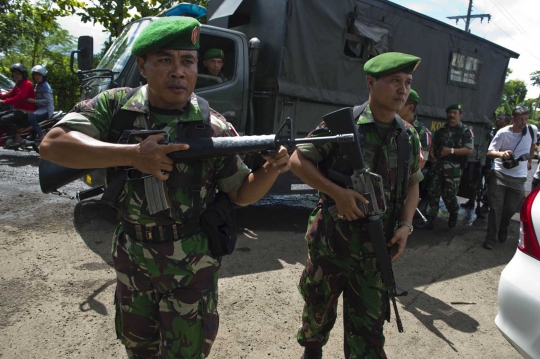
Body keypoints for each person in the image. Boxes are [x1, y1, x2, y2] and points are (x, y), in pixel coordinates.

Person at [40, 16, 290, 358]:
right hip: (133, 260)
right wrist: (131, 155)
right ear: (142, 66)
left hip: (192, 265)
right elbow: (52, 144)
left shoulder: (212, 125)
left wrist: (270, 171)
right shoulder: (115, 107)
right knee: (139, 349)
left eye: (187, 61)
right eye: (164, 60)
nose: (178, 71)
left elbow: (241, 193)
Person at [290, 52, 423, 359]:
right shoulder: (343, 125)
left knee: (369, 330)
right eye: (394, 81)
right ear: (370, 82)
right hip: (332, 242)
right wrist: (337, 193)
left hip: (377, 249)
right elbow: (298, 160)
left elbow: (414, 183)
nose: (402, 89)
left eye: (407, 82)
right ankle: (312, 351)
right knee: (317, 310)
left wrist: (405, 226)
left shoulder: (408, 135)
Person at [482, 106, 537, 250]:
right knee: (495, 208)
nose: (523, 123)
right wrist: (501, 154)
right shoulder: (503, 133)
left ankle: (503, 226)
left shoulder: (532, 130)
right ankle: (490, 238)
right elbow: (489, 152)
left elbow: (533, 145)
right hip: (500, 174)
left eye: (525, 119)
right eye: (520, 120)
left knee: (511, 208)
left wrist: (530, 161)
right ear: (513, 119)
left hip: (519, 178)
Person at [415, 103, 474, 230]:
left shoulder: (465, 131)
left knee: (449, 195)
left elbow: (469, 150)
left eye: (454, 113)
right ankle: (429, 219)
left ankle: (453, 212)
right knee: (433, 193)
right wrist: (431, 153)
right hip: (438, 167)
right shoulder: (441, 131)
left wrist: (451, 151)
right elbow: (433, 144)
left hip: (453, 169)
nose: (451, 115)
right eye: (449, 112)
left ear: (460, 115)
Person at [0, 63, 36, 147]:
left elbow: (19, 98)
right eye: (14, 73)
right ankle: (8, 137)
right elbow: (9, 94)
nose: (16, 75)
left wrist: (4, 102)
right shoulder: (18, 84)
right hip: (17, 109)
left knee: (4, 119)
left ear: (23, 74)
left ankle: (18, 138)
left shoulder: (27, 84)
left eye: (18, 73)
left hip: (25, 111)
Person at [397, 88, 431, 169]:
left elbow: (421, 163)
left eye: (400, 104)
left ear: (410, 107)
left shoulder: (423, 132)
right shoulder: (392, 124)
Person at [26, 65, 54, 142]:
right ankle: (32, 134)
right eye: (35, 75)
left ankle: (41, 135)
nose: (36, 77)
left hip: (46, 109)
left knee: (32, 117)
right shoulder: (38, 85)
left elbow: (48, 101)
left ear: (43, 76)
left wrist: (35, 101)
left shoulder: (45, 86)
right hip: (39, 108)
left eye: (39, 75)